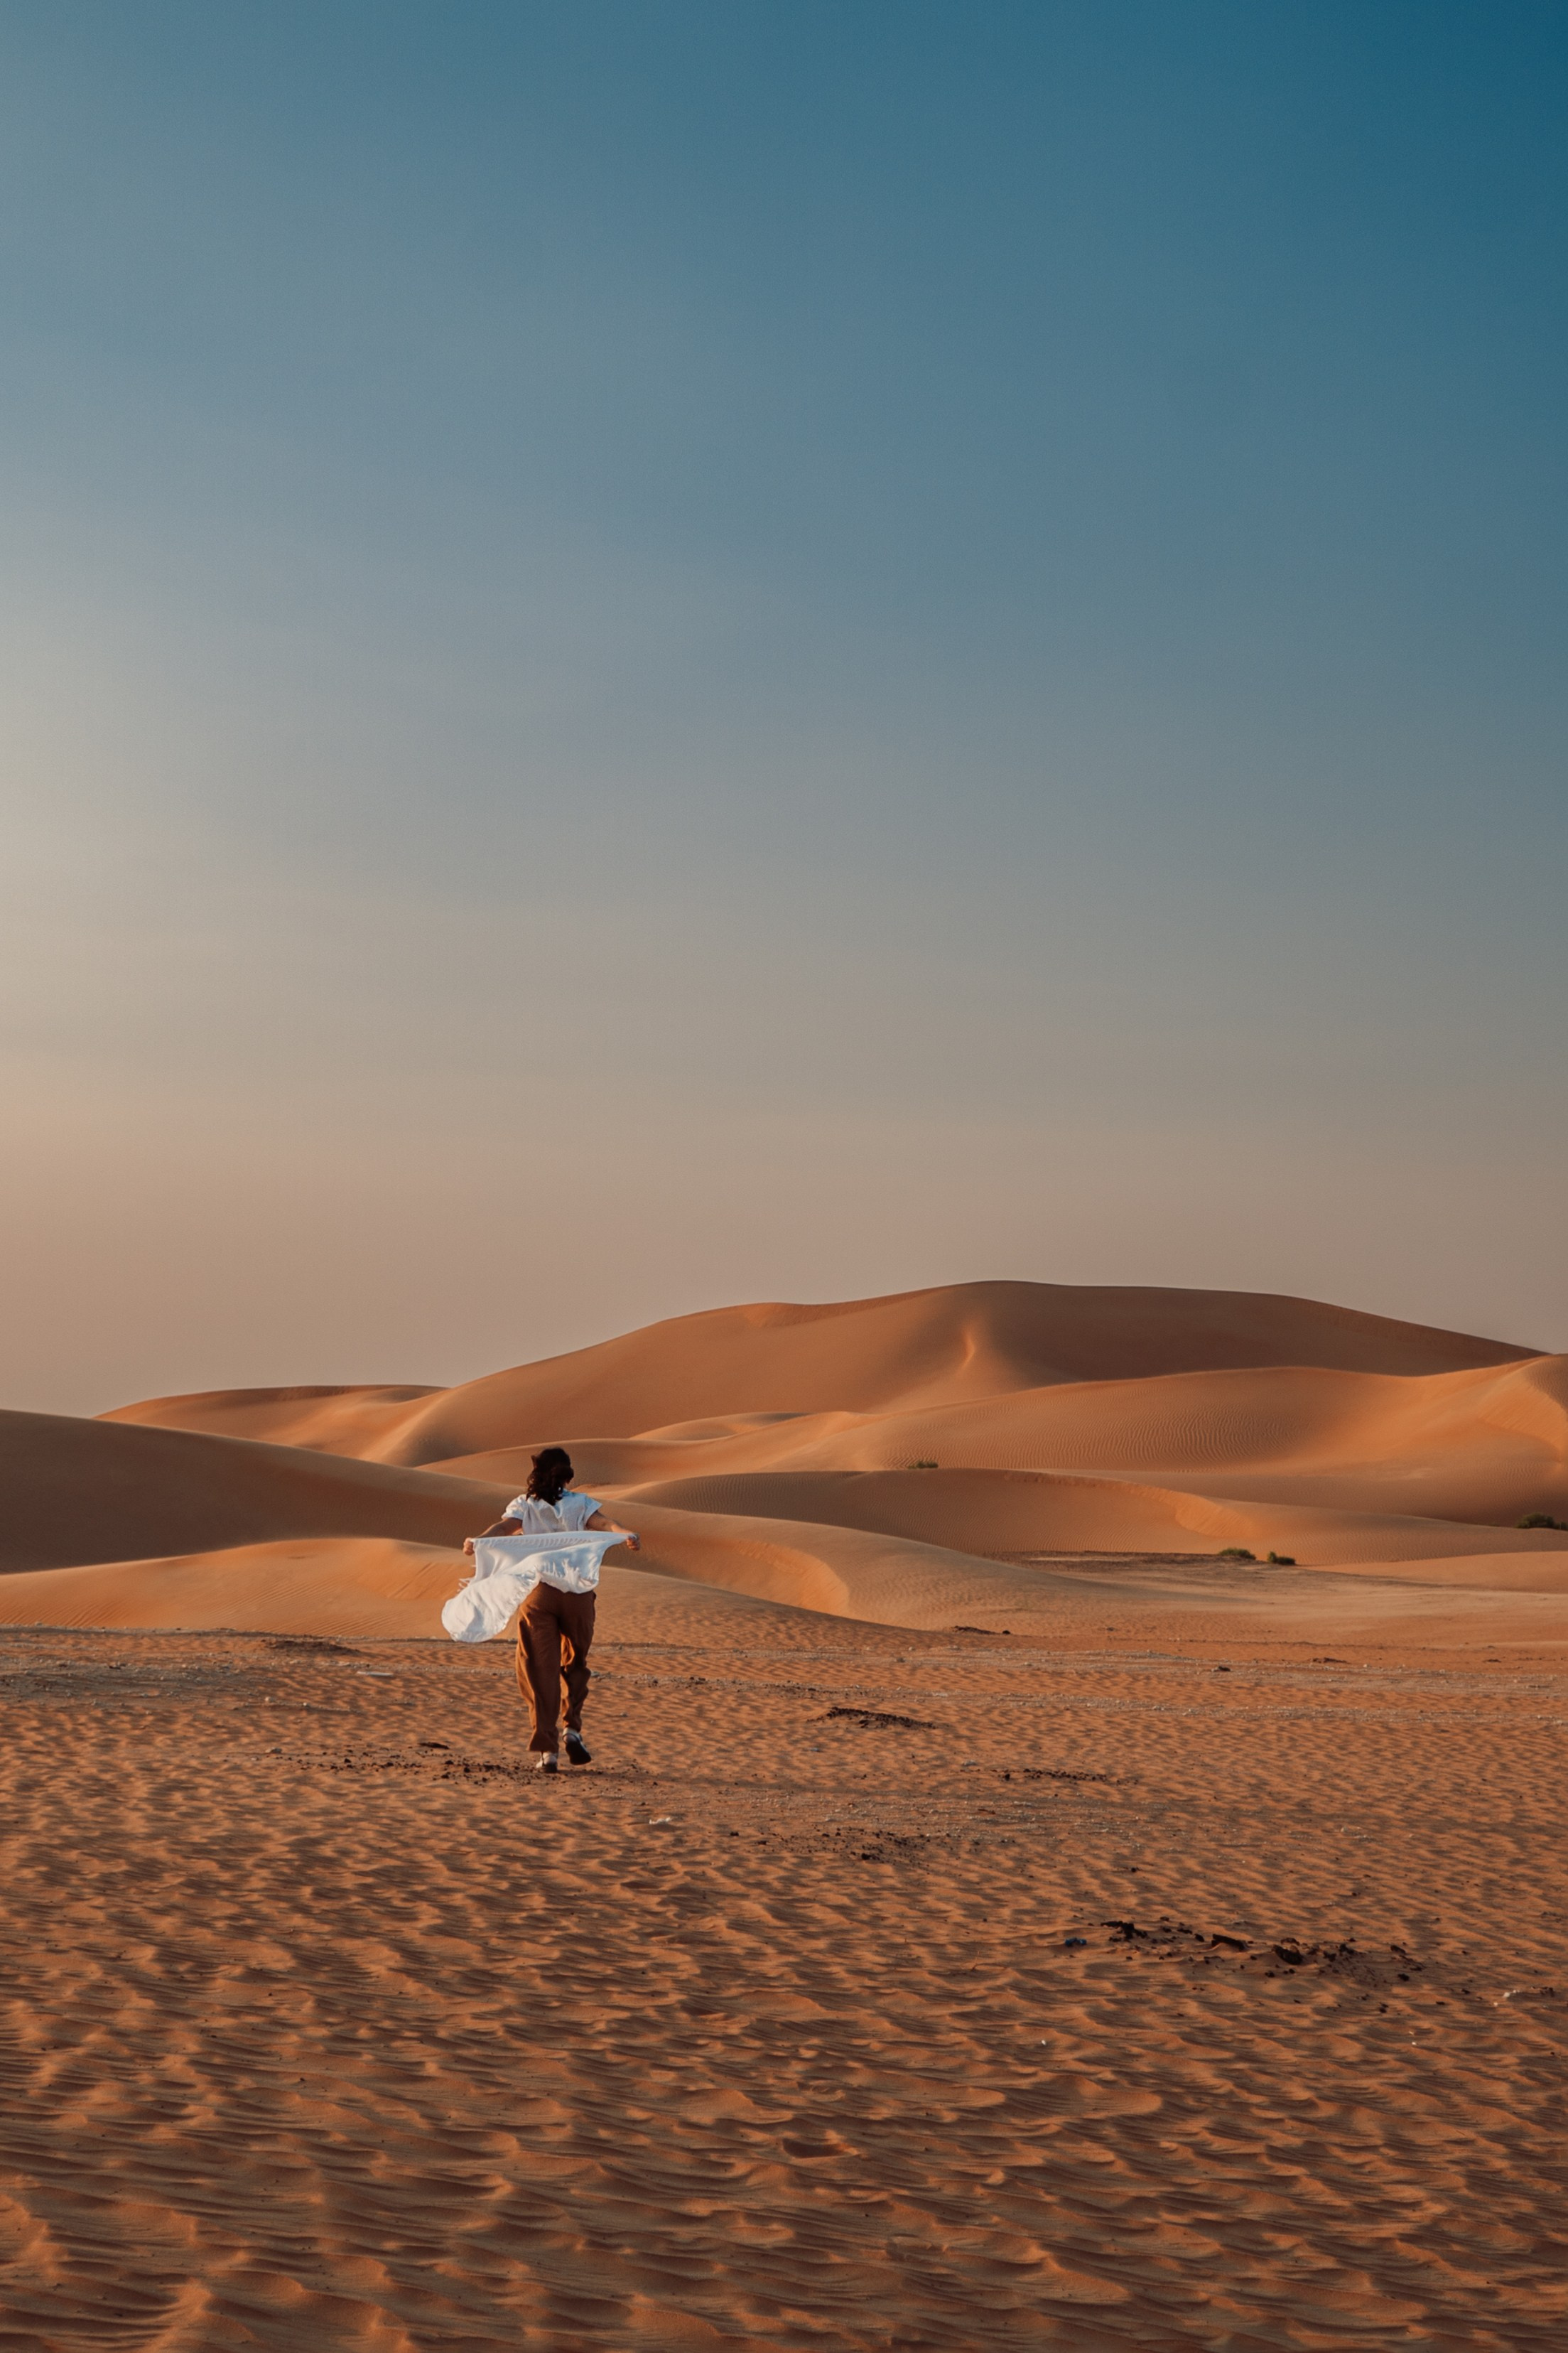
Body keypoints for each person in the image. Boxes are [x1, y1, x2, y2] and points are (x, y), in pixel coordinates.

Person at [463, 1446, 639, 1775]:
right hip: (578, 1594)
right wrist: (625, 1534)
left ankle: (547, 1751)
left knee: (538, 1668)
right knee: (576, 1662)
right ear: (568, 1474)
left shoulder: (525, 1506)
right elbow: (604, 1523)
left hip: (539, 1595)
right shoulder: (580, 1504)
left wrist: (478, 1540)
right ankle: (572, 1728)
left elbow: (503, 1529)